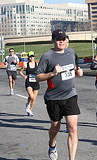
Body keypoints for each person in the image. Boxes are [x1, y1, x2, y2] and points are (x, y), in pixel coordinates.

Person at [36, 29, 83, 160]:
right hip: (53, 98)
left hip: (70, 96)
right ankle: (52, 144)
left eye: (63, 39)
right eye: (58, 39)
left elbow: (75, 68)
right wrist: (52, 73)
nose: (61, 41)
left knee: (73, 128)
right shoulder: (47, 56)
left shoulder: (71, 52)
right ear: (53, 40)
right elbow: (38, 77)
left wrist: (79, 72)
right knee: (55, 127)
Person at [19, 51, 40, 116]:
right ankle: (28, 104)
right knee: (31, 96)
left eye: (32, 56)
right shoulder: (26, 65)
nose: (32, 58)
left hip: (36, 82)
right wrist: (24, 76)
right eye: (30, 57)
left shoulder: (37, 64)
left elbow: (41, 71)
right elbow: (20, 72)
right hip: (29, 82)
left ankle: (29, 109)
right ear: (28, 57)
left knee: (34, 98)